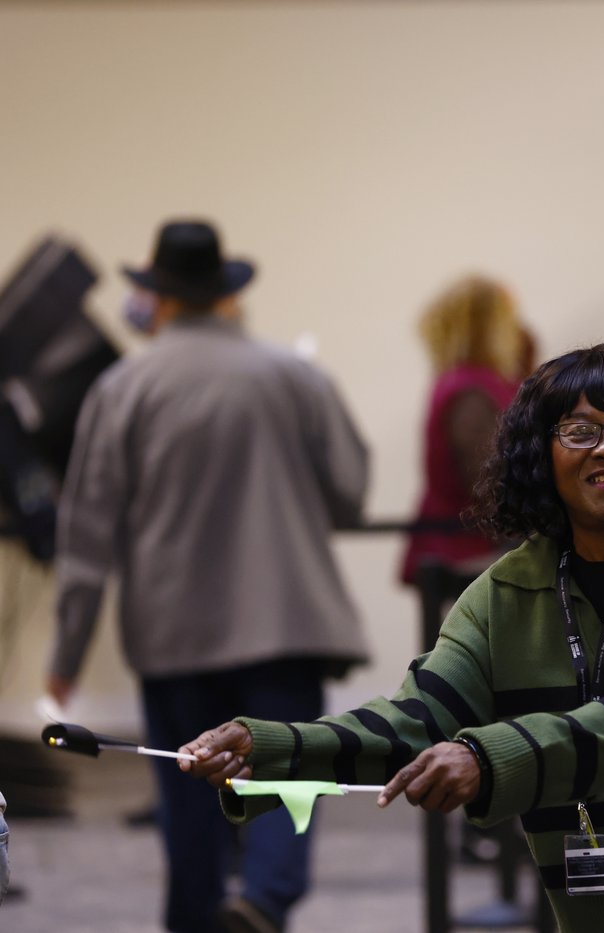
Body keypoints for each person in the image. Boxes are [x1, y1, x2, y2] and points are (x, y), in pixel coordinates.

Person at [179, 344, 604, 933]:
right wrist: (270, 749)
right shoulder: (506, 591)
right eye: (581, 432)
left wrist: (485, 757)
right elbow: (418, 721)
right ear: (540, 456)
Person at [47, 219, 371, 933]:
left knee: (187, 787)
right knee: (290, 773)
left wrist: (67, 654)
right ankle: (264, 900)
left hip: (176, 630)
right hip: (287, 622)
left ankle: (198, 918)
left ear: (154, 295)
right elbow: (350, 490)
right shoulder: (296, 376)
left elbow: (87, 532)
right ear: (226, 293)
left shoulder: (123, 387)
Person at [400, 274, 529, 586]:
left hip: (463, 542)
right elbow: (487, 478)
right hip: (471, 548)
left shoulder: (466, 381)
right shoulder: (471, 389)